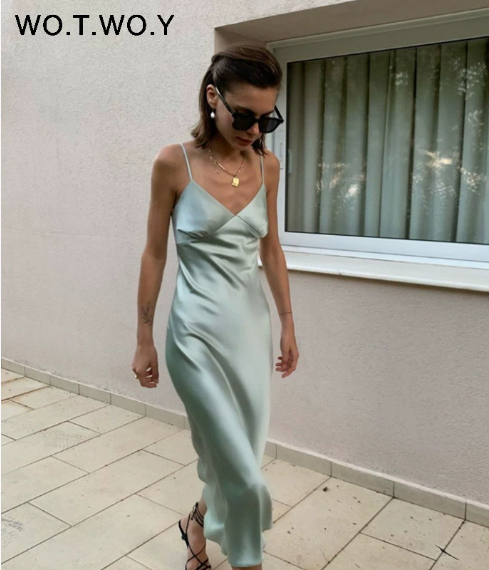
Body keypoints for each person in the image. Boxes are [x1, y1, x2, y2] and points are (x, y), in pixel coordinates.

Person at [131, 43, 299, 570]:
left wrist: (288, 324)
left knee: (238, 457)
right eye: (243, 116)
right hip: (194, 338)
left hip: (250, 334)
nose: (254, 130)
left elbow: (272, 250)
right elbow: (155, 253)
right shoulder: (172, 163)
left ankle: (197, 523)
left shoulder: (268, 167)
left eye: (266, 120)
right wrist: (143, 337)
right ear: (212, 97)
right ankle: (249, 560)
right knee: (245, 478)